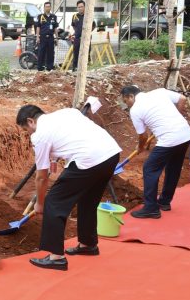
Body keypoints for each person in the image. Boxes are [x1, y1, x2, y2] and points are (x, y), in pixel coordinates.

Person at [16, 105, 121, 271]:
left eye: (26, 129)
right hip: (111, 153)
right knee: (88, 199)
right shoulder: (67, 112)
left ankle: (56, 257)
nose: (28, 134)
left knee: (54, 202)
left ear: (31, 121)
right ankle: (88, 244)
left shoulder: (40, 135)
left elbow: (41, 177)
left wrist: (41, 203)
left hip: (89, 158)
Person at [120, 86, 190, 219]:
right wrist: (176, 117)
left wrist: (140, 147)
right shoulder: (159, 92)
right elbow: (182, 98)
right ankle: (164, 202)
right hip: (185, 134)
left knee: (150, 168)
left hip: (169, 139)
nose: (127, 104)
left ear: (131, 96)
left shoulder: (135, 109)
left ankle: (150, 208)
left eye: (126, 101)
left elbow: (143, 136)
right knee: (173, 168)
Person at [69, 0, 96, 71]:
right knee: (76, 53)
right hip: (77, 38)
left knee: (86, 54)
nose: (80, 8)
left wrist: (87, 32)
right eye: (78, 7)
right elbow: (73, 25)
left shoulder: (88, 15)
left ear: (85, 7)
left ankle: (84, 69)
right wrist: (77, 32)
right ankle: (75, 69)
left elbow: (93, 26)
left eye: (81, 7)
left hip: (86, 38)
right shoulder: (75, 16)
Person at [34, 1, 59, 71]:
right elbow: (38, 27)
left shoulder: (54, 17)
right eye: (46, 7)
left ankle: (49, 67)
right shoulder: (40, 16)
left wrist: (56, 38)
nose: (47, 8)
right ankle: (40, 67)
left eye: (49, 6)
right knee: (41, 52)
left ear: (50, 7)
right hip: (42, 37)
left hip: (51, 37)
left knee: (50, 53)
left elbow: (55, 28)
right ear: (44, 8)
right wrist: (37, 37)